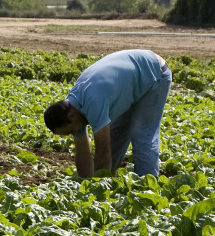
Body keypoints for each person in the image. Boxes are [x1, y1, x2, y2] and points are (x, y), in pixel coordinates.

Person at [44, 49, 171, 178]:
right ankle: (110, 178)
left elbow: (103, 153)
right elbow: (83, 153)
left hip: (154, 72)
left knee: (142, 135)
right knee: (115, 135)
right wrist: (85, 182)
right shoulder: (73, 108)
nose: (74, 133)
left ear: (71, 116)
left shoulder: (94, 102)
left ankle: (147, 184)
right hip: (130, 81)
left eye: (71, 131)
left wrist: (97, 187)